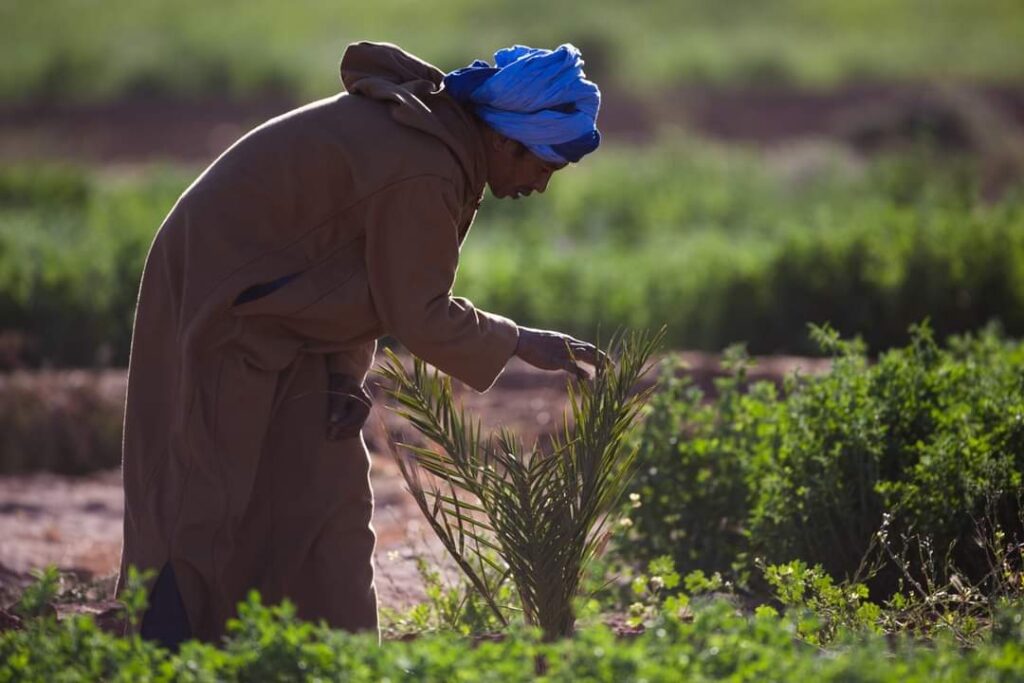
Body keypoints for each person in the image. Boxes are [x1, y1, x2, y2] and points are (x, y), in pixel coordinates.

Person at [116, 40, 605, 649]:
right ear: (505, 140)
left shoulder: (441, 148)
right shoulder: (427, 165)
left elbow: (349, 266)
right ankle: (157, 656)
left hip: (292, 324)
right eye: (543, 165)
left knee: (327, 503)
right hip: (223, 305)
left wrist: (346, 372)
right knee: (203, 508)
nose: (540, 185)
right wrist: (521, 341)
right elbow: (418, 312)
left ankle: (328, 660)